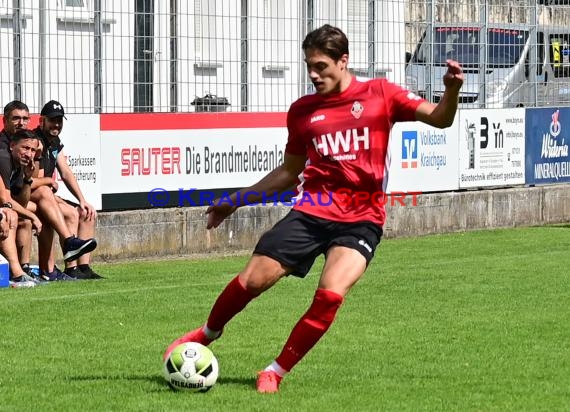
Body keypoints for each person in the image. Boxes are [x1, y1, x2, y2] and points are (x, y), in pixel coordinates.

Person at [164, 24, 464, 393]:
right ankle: (207, 333)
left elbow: (440, 118)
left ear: (343, 60)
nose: (313, 74)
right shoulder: (303, 111)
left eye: (320, 65)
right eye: (308, 65)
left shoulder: (380, 94)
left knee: (330, 295)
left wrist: (451, 90)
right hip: (311, 212)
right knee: (252, 280)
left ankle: (274, 371)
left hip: (362, 219)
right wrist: (232, 202)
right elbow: (290, 173)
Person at [31, 100, 102, 280]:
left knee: (87, 212)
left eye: (59, 121)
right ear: (42, 121)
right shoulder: (35, 142)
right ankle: (71, 268)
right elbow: (36, 183)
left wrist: (82, 200)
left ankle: (83, 267)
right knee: (71, 213)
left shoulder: (55, 141)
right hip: (35, 196)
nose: (56, 124)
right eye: (52, 120)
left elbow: (66, 171)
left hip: (46, 195)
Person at [0, 129, 43, 288]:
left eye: (33, 150)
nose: (29, 154)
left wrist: (28, 179)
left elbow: (22, 203)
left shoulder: (19, 166)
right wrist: (34, 217)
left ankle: (24, 268)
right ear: (12, 146)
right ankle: (17, 274)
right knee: (8, 215)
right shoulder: (3, 158)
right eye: (25, 148)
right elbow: (6, 199)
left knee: (22, 217)